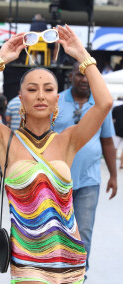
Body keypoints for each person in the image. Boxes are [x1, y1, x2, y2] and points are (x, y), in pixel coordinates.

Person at [0, 25, 113, 283]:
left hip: (70, 259)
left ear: (57, 98)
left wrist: (82, 55)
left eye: (48, 89)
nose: (40, 95)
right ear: (21, 98)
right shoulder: (3, 140)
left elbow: (104, 103)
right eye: (32, 89)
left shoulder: (69, 140)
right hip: (26, 262)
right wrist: (0, 58)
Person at [53, 60, 117, 275]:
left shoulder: (102, 105)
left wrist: (113, 176)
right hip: (56, 181)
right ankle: (56, 272)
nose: (83, 79)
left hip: (89, 181)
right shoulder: (56, 101)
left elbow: (107, 141)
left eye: (87, 75)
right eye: (79, 74)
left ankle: (79, 274)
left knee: (84, 232)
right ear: (71, 76)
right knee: (57, 232)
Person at [112, 103, 123, 168]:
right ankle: (122, 164)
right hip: (117, 131)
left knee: (114, 148)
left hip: (116, 131)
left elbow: (112, 120)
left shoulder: (116, 108)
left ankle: (112, 164)